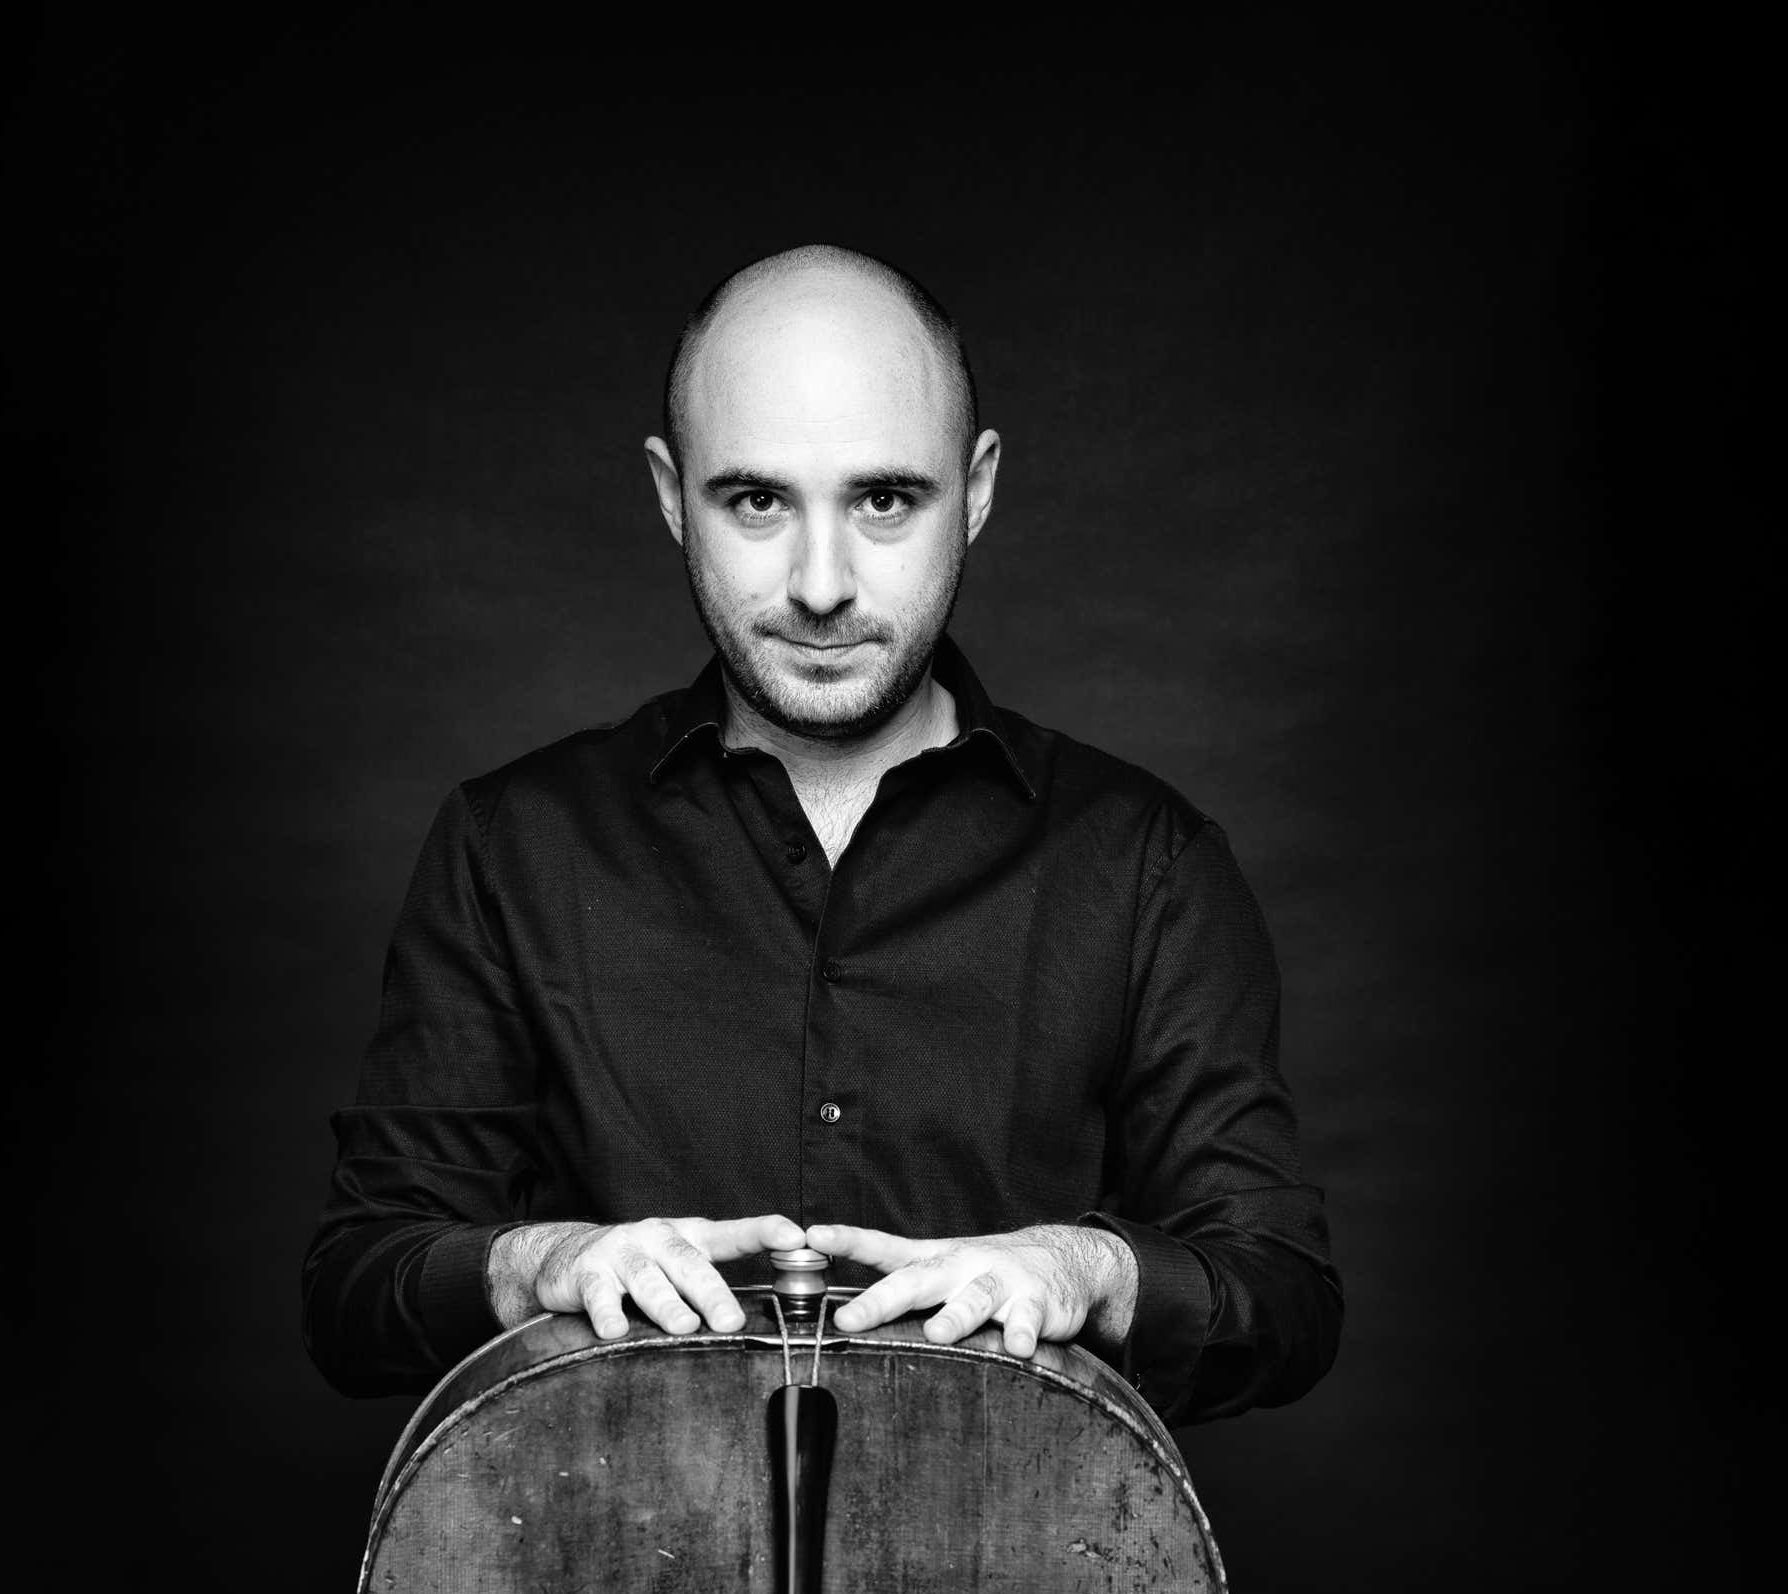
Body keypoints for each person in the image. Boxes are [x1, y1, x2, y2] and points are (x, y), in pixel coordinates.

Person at [304, 244, 1341, 1420]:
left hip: (1021, 1544)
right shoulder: (511, 845)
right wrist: (536, 1264)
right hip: (600, 1541)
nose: (821, 584)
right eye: (757, 500)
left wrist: (1087, 1269)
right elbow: (356, 1290)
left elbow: (1282, 1294)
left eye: (885, 499)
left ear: (977, 488)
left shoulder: (1148, 863)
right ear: (670, 495)